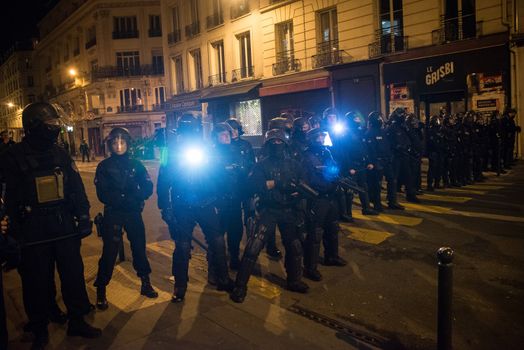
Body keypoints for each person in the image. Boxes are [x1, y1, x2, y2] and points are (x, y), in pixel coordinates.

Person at [0, 102, 101, 349]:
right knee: (36, 282)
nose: (55, 129)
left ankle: (77, 320)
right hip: (32, 230)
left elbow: (75, 187)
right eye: (50, 125)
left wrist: (84, 216)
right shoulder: (11, 157)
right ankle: (39, 327)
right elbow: (7, 197)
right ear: (33, 127)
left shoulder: (60, 154)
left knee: (73, 276)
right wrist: (11, 231)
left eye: (56, 124)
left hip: (63, 225)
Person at [157, 114, 233, 303]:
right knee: (182, 246)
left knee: (217, 241)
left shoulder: (206, 148)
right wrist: (165, 206)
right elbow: (163, 181)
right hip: (182, 204)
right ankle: (180, 286)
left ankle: (222, 278)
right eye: (186, 130)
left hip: (206, 201)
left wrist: (220, 198)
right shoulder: (170, 150)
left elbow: (218, 174)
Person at [230, 129, 309, 303]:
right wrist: (274, 184)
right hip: (268, 210)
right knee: (253, 248)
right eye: (273, 141)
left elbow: (304, 183)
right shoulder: (262, 165)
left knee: (294, 247)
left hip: (288, 209)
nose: (277, 144)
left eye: (280, 141)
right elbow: (252, 185)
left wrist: (298, 192)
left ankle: (294, 281)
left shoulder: (294, 164)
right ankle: (240, 286)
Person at [93, 127, 158, 310]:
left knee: (139, 248)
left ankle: (145, 282)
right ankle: (101, 289)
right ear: (110, 145)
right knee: (109, 252)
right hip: (114, 213)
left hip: (133, 212)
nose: (119, 145)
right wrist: (122, 198)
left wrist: (135, 196)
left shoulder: (136, 164)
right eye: (115, 142)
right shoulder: (104, 166)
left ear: (128, 144)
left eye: (122, 142)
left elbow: (147, 186)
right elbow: (103, 193)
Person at [302, 128, 347, 282]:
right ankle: (310, 267)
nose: (321, 140)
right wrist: (325, 184)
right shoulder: (306, 156)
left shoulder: (326, 152)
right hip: (317, 199)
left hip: (331, 196)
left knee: (332, 228)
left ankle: (331, 256)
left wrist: (336, 179)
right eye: (318, 137)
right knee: (315, 234)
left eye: (323, 136)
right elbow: (307, 180)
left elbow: (334, 169)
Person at [365, 111, 404, 210]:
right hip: (377, 161)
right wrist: (373, 162)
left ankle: (392, 202)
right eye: (380, 118)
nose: (382, 120)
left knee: (392, 181)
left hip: (387, 161)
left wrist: (390, 156)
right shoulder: (369, 133)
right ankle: (377, 204)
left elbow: (388, 146)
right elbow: (370, 150)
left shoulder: (383, 131)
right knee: (377, 184)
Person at [386, 108, 420, 203]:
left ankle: (411, 195)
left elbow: (412, 138)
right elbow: (388, 142)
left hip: (405, 155)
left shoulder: (405, 126)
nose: (403, 116)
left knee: (409, 177)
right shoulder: (391, 127)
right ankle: (391, 199)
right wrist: (396, 147)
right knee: (393, 179)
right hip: (396, 156)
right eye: (401, 114)